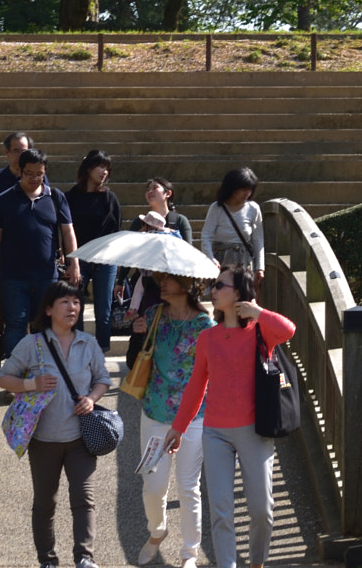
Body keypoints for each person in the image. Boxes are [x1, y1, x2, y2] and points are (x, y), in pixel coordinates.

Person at [164, 268, 294, 568]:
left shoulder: (261, 332)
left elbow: (288, 330)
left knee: (262, 509)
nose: (213, 290)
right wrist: (178, 427)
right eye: (213, 285)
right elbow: (197, 384)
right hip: (215, 432)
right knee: (221, 509)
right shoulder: (207, 337)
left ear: (237, 293)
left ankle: (257, 561)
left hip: (254, 430)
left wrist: (258, 311)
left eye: (219, 285)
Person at [0, 280, 111, 568]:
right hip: (44, 440)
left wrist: (91, 398)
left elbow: (103, 379)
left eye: (76, 302)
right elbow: (4, 377)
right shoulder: (31, 344)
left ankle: (84, 558)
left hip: (80, 438)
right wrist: (30, 383)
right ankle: (47, 560)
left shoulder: (88, 343)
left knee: (84, 498)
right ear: (48, 309)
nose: (73, 307)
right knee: (45, 503)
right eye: (65, 302)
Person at [134, 273, 214, 568]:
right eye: (160, 279)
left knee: (188, 486)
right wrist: (138, 332)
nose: (161, 284)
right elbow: (139, 357)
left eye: (168, 280)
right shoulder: (154, 314)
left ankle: (190, 552)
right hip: (154, 411)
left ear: (188, 285)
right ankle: (157, 530)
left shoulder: (204, 325)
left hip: (193, 416)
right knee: (152, 486)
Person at [0, 149, 79, 361]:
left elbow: (68, 231)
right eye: (29, 173)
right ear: (20, 172)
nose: (34, 178)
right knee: (15, 324)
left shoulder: (55, 197)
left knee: (44, 325)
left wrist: (74, 263)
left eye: (39, 174)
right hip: (13, 275)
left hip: (46, 274)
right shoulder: (4, 200)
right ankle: (16, 376)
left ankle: (43, 373)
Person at [0, 132, 33, 365]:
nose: (21, 154)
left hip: (25, 251)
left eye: (25, 150)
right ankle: (1, 343)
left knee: (25, 309)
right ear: (7, 153)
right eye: (16, 150)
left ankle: (15, 355)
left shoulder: (36, 176)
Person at [67, 150, 122, 352]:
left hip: (106, 260)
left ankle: (102, 350)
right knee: (76, 308)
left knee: (103, 310)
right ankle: (79, 348)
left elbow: (116, 232)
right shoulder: (71, 197)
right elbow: (64, 229)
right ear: (88, 168)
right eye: (101, 167)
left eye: (107, 168)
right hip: (79, 258)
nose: (104, 172)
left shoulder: (110, 198)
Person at [200, 169, 263, 284]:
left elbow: (258, 239)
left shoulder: (253, 208)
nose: (247, 193)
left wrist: (260, 267)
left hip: (243, 262)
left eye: (250, 189)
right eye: (243, 189)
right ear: (232, 188)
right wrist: (210, 258)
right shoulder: (216, 208)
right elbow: (206, 235)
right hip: (221, 261)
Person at [145, 178, 194, 244]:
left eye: (155, 188)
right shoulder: (140, 222)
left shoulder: (180, 220)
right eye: (148, 190)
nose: (150, 191)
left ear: (168, 193)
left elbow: (188, 249)